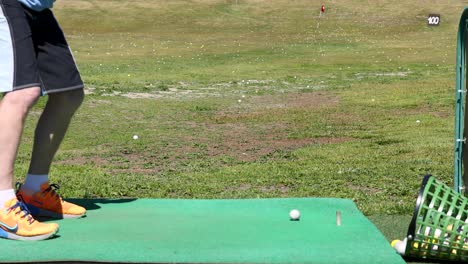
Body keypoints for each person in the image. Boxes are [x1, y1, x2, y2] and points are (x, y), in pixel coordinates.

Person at [0, 0, 86, 241]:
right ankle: (2, 204)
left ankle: (34, 191)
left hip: (37, 6)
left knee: (69, 93)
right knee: (22, 91)